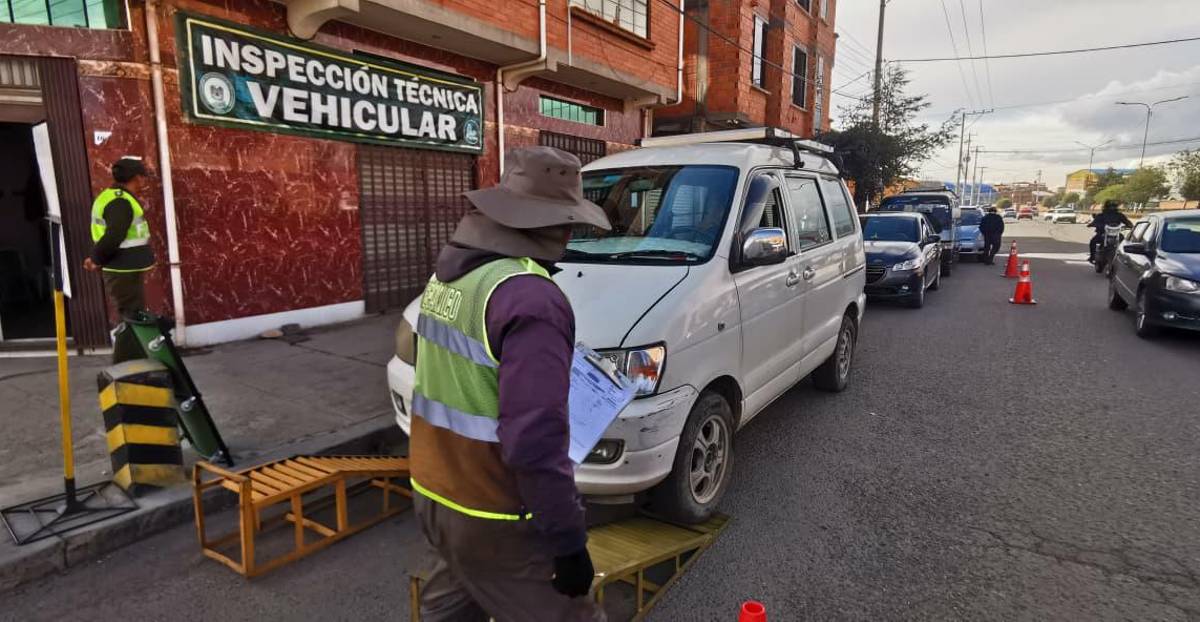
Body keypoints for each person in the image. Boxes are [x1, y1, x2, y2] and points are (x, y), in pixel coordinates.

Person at [409, 146, 612, 622]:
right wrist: (568, 542)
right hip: (494, 514)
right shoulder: (531, 298)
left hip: (435, 493)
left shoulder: (451, 276)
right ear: (556, 225)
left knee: (451, 610)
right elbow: (534, 443)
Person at [83, 157, 154, 363]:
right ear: (136, 178)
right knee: (130, 317)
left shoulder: (113, 197)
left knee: (132, 314)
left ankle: (133, 361)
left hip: (124, 266)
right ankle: (125, 365)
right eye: (143, 177)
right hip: (122, 267)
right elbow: (114, 235)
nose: (144, 182)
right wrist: (95, 259)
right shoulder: (120, 201)